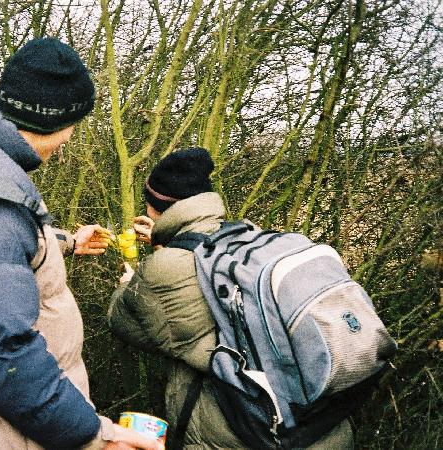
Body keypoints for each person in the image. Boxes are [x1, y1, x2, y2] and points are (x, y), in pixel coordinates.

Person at [0, 37, 160, 450]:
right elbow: (0, 351)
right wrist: (95, 436)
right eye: (73, 126)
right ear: (53, 120)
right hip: (1, 431)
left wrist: (66, 242)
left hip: (13, 423)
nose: (69, 140)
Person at [108, 147, 354, 449]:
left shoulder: (164, 267)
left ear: (156, 208)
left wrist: (130, 283)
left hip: (243, 435)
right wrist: (168, 241)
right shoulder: (249, 237)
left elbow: (123, 322)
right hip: (322, 424)